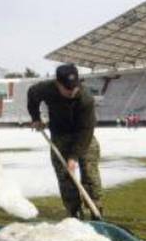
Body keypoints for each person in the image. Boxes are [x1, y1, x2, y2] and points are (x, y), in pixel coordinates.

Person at [27, 64, 102, 219]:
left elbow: (86, 130)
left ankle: (96, 211)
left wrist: (74, 156)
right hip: (59, 136)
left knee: (90, 173)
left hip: (83, 137)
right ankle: (73, 213)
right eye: (67, 88)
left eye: (74, 87)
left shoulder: (86, 98)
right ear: (57, 83)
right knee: (65, 176)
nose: (72, 91)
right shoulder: (45, 89)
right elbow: (32, 94)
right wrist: (36, 118)